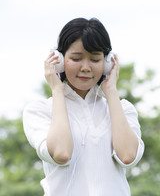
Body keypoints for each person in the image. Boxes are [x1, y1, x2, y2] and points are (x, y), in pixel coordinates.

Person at [23, 17, 144, 196]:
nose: (86, 67)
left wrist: (111, 92)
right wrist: (57, 89)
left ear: (108, 63)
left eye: (95, 59)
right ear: (60, 60)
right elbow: (62, 153)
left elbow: (127, 156)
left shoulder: (124, 109)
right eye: (76, 58)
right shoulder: (40, 110)